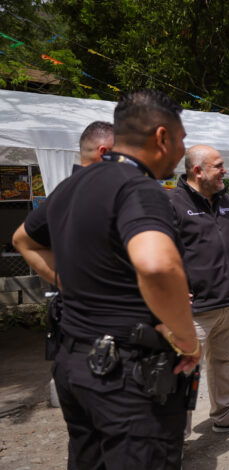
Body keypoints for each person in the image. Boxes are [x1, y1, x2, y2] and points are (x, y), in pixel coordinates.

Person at [12, 89, 201, 468]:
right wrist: (186, 340)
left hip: (75, 365)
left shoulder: (71, 186)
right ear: (162, 137)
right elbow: (157, 266)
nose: (182, 151)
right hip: (127, 377)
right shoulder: (140, 189)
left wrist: (73, 285)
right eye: (181, 139)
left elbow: (23, 239)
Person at [168, 144, 229, 434]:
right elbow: (158, 249)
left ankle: (223, 415)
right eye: (219, 166)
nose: (225, 171)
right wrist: (172, 286)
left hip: (226, 301)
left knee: (222, 361)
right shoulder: (171, 201)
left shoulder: (225, 200)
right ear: (198, 170)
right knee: (184, 370)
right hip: (192, 310)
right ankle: (175, 437)